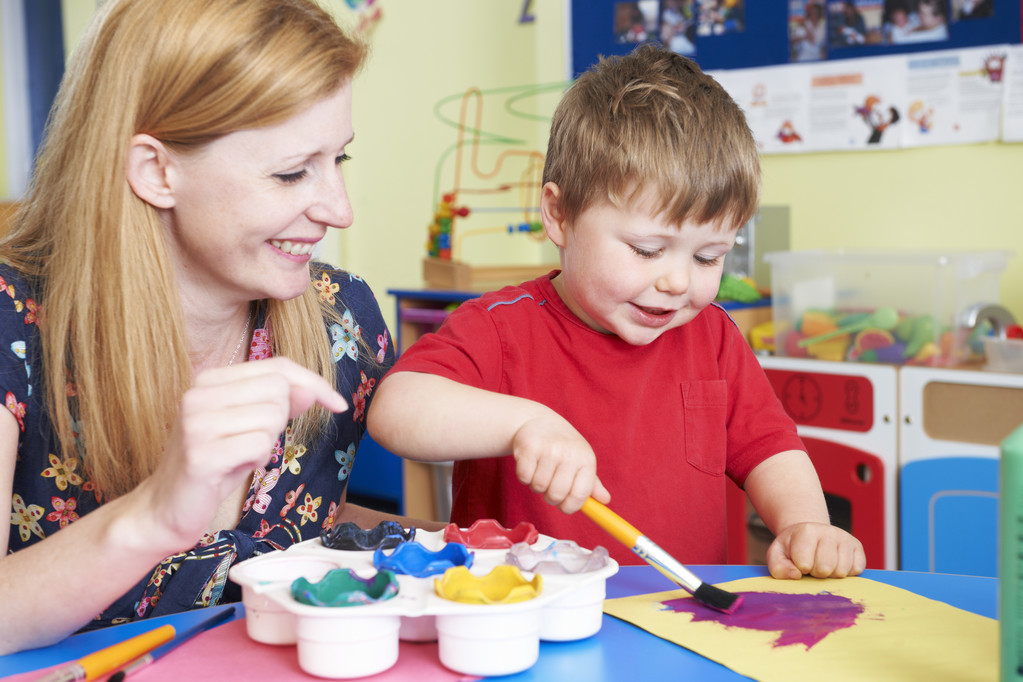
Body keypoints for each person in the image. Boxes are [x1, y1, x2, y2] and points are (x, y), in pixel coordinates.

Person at [0, 0, 432, 655]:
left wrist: (456, 548)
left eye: (338, 159)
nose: (338, 210)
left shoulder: (342, 320)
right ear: (156, 171)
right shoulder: (13, 321)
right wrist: (153, 515)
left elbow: (302, 531)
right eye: (291, 172)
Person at [367, 44, 866, 581]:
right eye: (647, 250)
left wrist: (805, 524)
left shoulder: (713, 335)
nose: (677, 282)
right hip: (529, 625)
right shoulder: (502, 327)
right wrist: (525, 424)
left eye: (707, 257)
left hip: (680, 626)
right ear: (558, 215)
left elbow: (770, 448)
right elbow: (395, 410)